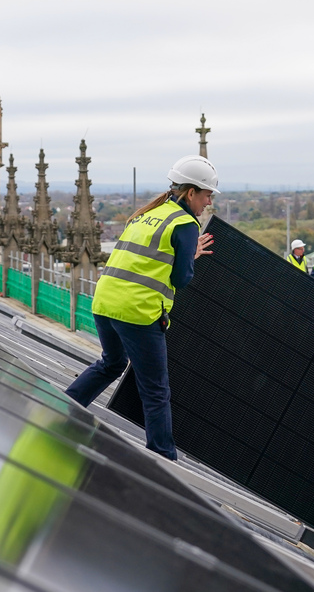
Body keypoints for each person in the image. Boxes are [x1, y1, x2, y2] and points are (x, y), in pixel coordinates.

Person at [65, 155, 217, 460]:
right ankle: (163, 457)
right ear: (190, 193)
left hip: (105, 302)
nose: (208, 203)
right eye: (206, 195)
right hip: (138, 311)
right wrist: (189, 258)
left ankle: (61, 408)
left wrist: (185, 254)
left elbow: (149, 258)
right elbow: (181, 278)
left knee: (110, 364)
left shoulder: (150, 213)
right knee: (155, 390)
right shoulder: (185, 223)